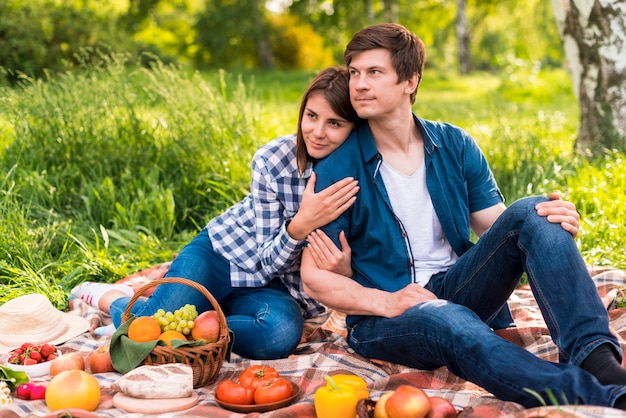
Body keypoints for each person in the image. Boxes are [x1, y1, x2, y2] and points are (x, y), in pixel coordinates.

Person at [300, 23, 626, 409]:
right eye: (355, 72)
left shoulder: (453, 144)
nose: (359, 84)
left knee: (536, 210)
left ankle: (597, 360)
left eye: (374, 72)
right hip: (384, 318)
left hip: (457, 285)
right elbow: (314, 277)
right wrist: (386, 303)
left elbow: (498, 225)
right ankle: (607, 396)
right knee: (449, 320)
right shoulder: (339, 168)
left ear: (410, 81)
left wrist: (546, 223)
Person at [71, 66, 361, 360]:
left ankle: (198, 317)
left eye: (335, 123)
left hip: (276, 286)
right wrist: (301, 225)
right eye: (311, 116)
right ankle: (106, 296)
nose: (318, 132)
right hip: (221, 256)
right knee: (150, 325)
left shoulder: (355, 176)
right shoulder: (272, 159)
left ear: (354, 128)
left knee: (278, 334)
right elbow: (266, 258)